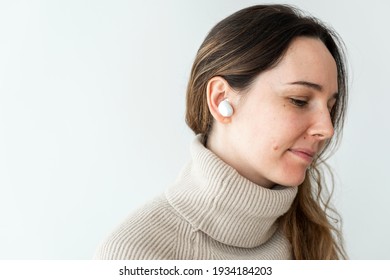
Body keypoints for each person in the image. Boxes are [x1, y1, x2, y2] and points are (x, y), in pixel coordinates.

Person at [94, 4, 348, 260]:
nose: (326, 129)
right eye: (299, 100)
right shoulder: (135, 254)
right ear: (220, 99)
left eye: (329, 108)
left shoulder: (309, 234)